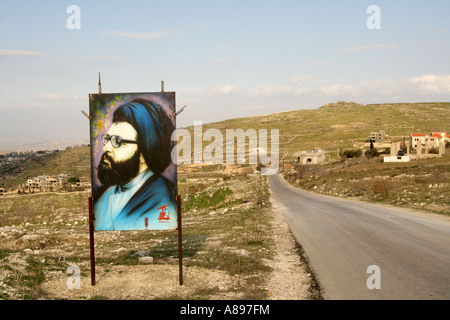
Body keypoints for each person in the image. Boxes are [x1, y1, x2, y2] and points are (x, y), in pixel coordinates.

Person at [93, 99, 177, 230]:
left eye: (117, 141)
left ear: (144, 154)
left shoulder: (160, 198)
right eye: (107, 139)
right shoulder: (107, 194)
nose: (106, 148)